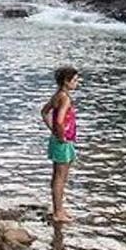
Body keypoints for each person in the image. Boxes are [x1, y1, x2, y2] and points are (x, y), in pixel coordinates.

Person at [41, 66, 80, 223]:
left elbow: (44, 112)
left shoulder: (57, 95)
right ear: (66, 81)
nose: (77, 83)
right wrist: (61, 135)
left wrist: (54, 131)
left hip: (59, 140)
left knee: (59, 176)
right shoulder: (65, 98)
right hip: (62, 142)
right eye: (75, 80)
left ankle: (60, 209)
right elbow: (59, 120)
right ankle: (58, 212)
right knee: (60, 177)